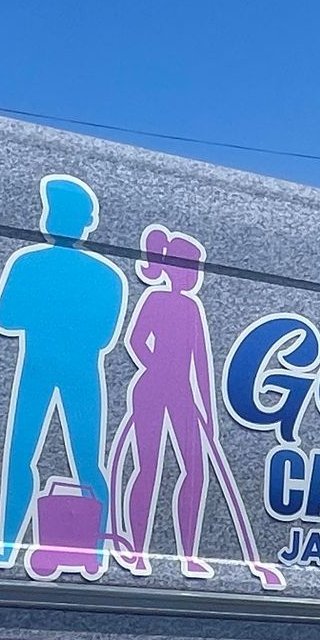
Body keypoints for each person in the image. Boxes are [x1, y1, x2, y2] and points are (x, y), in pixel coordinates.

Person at [107, 225, 282, 588]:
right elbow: (137, 340)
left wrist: (208, 412)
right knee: (149, 467)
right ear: (173, 268)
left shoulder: (191, 307)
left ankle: (189, 554)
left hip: (184, 394)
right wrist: (156, 366)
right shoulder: (155, 299)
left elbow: (201, 360)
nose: (195, 275)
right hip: (151, 389)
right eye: (190, 267)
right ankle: (137, 550)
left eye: (197, 268)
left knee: (196, 471)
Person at [0, 176, 127, 575]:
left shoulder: (31, 264)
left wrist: (44, 312)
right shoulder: (105, 276)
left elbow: (9, 317)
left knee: (24, 456)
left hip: (41, 365)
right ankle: (94, 552)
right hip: (80, 370)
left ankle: (9, 549)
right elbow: (101, 334)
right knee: (86, 462)